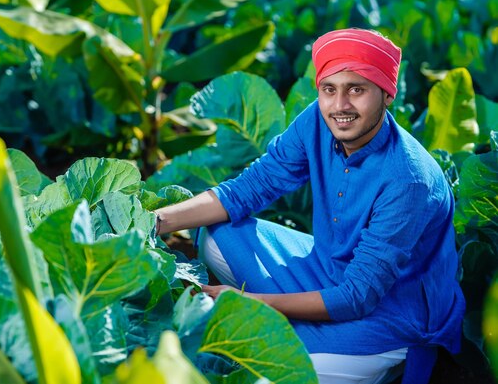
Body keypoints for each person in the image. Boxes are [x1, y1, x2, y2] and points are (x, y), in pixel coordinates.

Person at [153, 28, 465, 384]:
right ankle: (288, 318)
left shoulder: (409, 179)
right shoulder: (317, 119)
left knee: (289, 370)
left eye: (357, 89)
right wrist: (154, 222)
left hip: (391, 310)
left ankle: (383, 364)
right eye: (329, 89)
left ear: (387, 94)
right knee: (215, 234)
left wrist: (255, 303)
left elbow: (358, 296)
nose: (340, 105)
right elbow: (248, 190)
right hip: (326, 266)